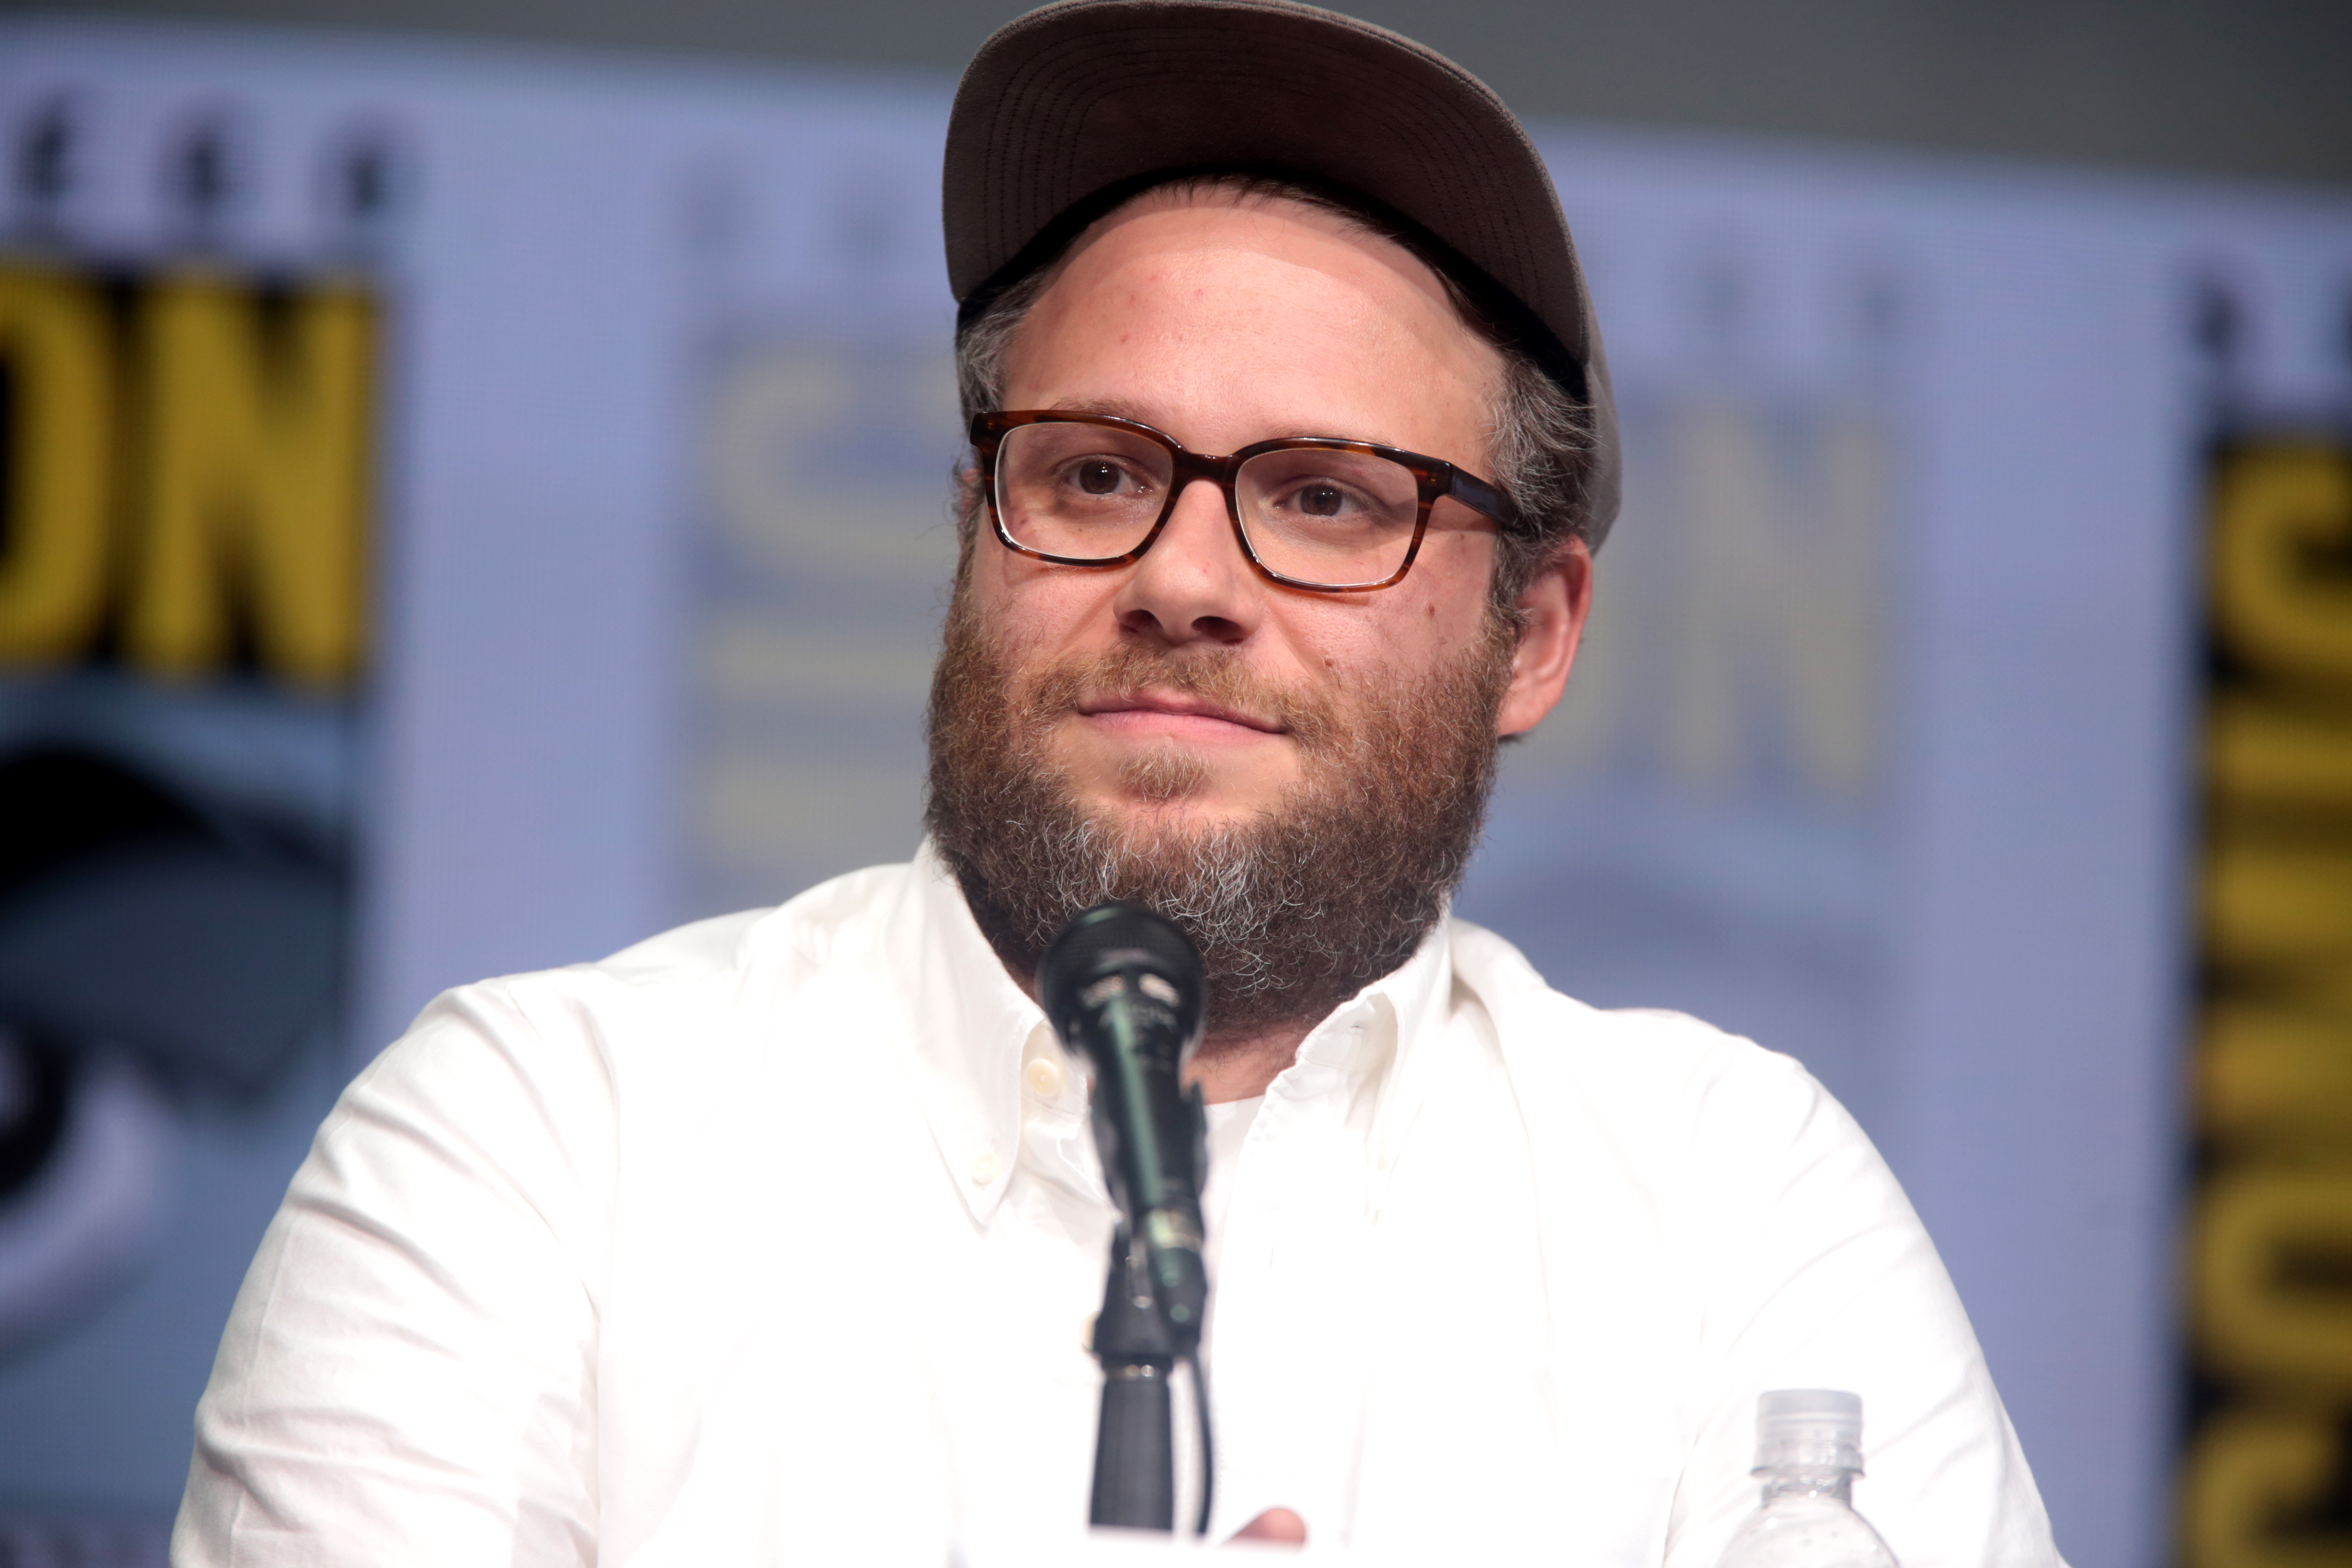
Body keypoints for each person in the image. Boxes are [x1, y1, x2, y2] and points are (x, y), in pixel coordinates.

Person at [174, 2, 2066, 1564]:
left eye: (1327, 499)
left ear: (1539, 634)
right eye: (1093, 472)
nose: (1181, 577)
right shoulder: (539, 1145)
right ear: (972, 529)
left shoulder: (1734, 1208)